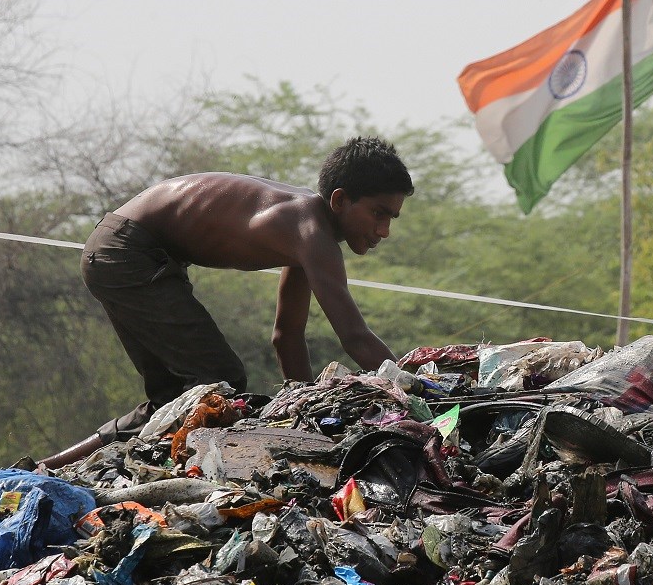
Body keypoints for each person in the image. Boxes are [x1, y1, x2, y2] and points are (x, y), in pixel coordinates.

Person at [39, 136, 413, 469]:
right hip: (128, 250)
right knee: (219, 383)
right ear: (340, 200)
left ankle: (42, 467)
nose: (384, 230)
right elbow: (356, 338)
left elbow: (287, 336)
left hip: (124, 251)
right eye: (378, 213)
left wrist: (301, 413)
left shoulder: (306, 234)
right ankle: (49, 467)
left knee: (176, 399)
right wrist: (417, 392)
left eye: (392, 218)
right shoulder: (310, 231)